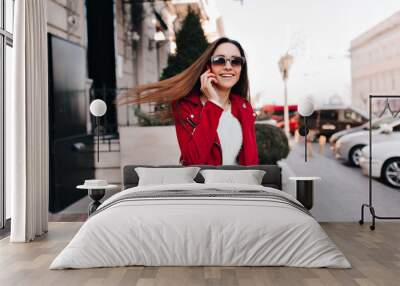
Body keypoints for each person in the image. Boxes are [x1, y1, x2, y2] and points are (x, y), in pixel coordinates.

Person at [118, 37, 259, 166]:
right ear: (208, 66)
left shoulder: (244, 107)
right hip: (203, 192)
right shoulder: (185, 106)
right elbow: (192, 162)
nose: (228, 66)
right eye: (220, 60)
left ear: (241, 68)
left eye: (236, 61)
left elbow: (252, 164)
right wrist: (214, 104)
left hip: (240, 191)